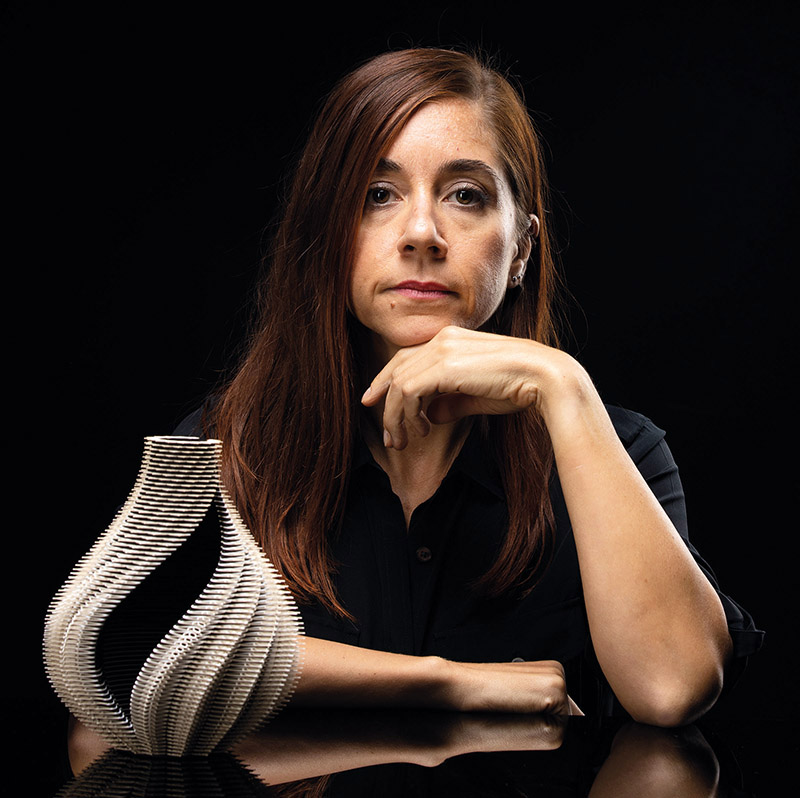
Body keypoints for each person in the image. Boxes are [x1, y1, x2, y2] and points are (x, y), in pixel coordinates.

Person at [176, 47, 762, 727]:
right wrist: (448, 683)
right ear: (326, 233)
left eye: (465, 195)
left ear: (521, 249)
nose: (421, 234)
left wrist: (562, 384)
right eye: (377, 195)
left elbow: (673, 688)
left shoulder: (621, 451)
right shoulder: (227, 449)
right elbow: (124, 671)